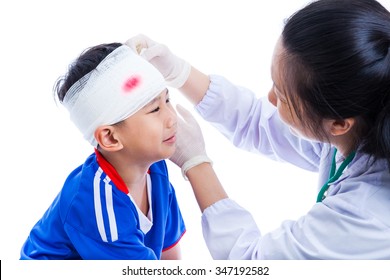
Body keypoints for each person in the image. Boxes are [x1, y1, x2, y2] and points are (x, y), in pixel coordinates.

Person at [126, 0, 390, 259]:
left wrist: (195, 162)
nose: (271, 98)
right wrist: (178, 72)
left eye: (284, 96)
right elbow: (255, 121)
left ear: (339, 124)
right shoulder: (364, 116)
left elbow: (252, 265)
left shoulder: (367, 216)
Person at [20, 43, 186, 260]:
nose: (172, 118)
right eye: (154, 109)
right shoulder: (97, 202)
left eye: (167, 100)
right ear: (110, 137)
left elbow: (169, 256)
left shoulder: (156, 170)